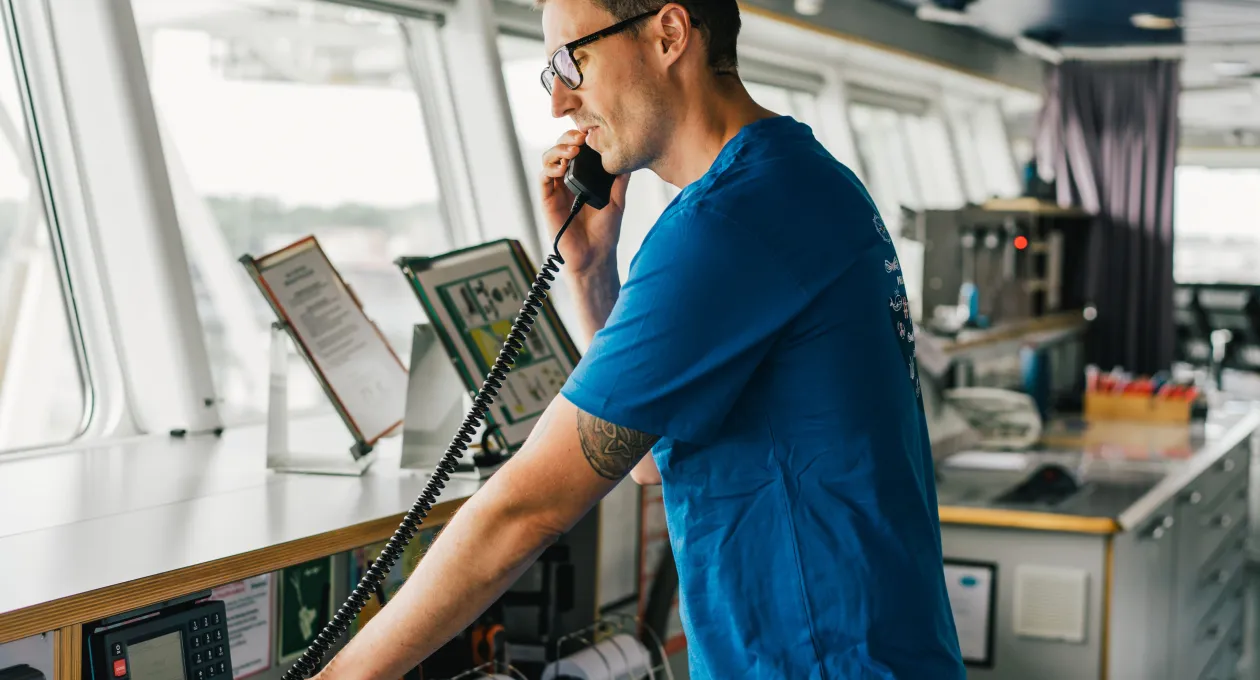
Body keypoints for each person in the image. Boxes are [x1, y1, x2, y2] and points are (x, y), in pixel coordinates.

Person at [313, 0, 964, 676]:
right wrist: (592, 273)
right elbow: (648, 459)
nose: (561, 103)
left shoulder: (727, 224)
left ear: (669, 34)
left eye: (574, 61)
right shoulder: (801, 181)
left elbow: (524, 513)